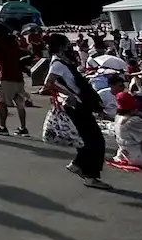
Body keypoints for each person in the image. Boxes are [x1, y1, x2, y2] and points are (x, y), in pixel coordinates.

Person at [44, 38, 109, 189]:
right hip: (76, 106)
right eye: (68, 46)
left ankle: (79, 164)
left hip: (79, 104)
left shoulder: (63, 62)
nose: (70, 48)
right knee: (95, 140)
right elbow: (48, 83)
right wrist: (69, 94)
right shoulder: (57, 64)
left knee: (86, 139)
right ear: (61, 48)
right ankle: (90, 175)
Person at [0, 23, 31, 135]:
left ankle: (2, 126)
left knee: (2, 102)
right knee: (20, 104)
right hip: (18, 76)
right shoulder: (13, 41)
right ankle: (23, 127)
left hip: (6, 76)